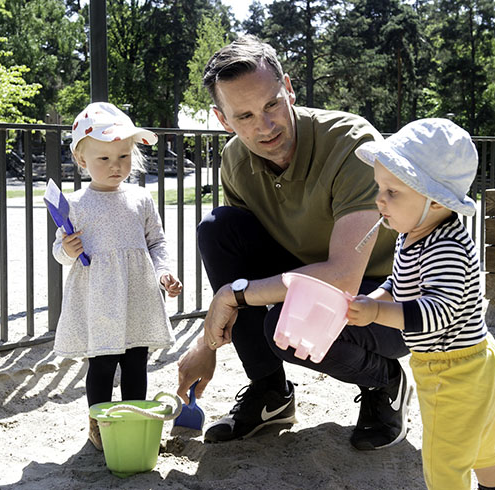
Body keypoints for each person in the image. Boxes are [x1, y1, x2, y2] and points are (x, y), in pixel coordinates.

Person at [176, 35, 411, 450]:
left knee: (284, 323)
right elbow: (241, 258)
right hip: (307, 277)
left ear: (288, 88)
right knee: (218, 228)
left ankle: (385, 381)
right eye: (244, 116)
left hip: (391, 298)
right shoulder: (234, 160)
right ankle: (271, 393)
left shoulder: (353, 143)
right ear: (223, 119)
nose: (265, 127)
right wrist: (208, 344)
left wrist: (232, 295)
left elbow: (343, 277)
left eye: (271, 104)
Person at [348, 118, 495, 490]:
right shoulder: (414, 233)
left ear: (437, 201)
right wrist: (377, 298)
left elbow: (436, 312)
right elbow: (402, 284)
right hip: (476, 361)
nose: (380, 200)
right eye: (379, 188)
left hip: (453, 370)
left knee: (444, 459)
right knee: (481, 439)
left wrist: (377, 315)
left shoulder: (445, 245)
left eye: (393, 191)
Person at [53, 102, 183, 450]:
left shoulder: (141, 198)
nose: (116, 166)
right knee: (102, 363)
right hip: (99, 299)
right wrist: (68, 249)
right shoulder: (75, 204)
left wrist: (164, 272)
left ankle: (135, 422)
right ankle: (99, 423)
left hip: (137, 295)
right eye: (104, 158)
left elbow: (156, 241)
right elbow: (59, 253)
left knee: (136, 361)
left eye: (123, 156)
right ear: (81, 160)